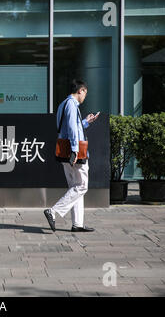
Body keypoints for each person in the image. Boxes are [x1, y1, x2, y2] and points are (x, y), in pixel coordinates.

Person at [44, 79, 99, 233]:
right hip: (75, 152)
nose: (85, 97)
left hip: (65, 151)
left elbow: (69, 127)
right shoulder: (71, 104)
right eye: (85, 93)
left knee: (74, 188)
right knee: (81, 186)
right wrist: (75, 150)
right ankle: (53, 211)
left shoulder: (64, 104)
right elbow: (72, 129)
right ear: (80, 90)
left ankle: (77, 224)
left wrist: (86, 122)